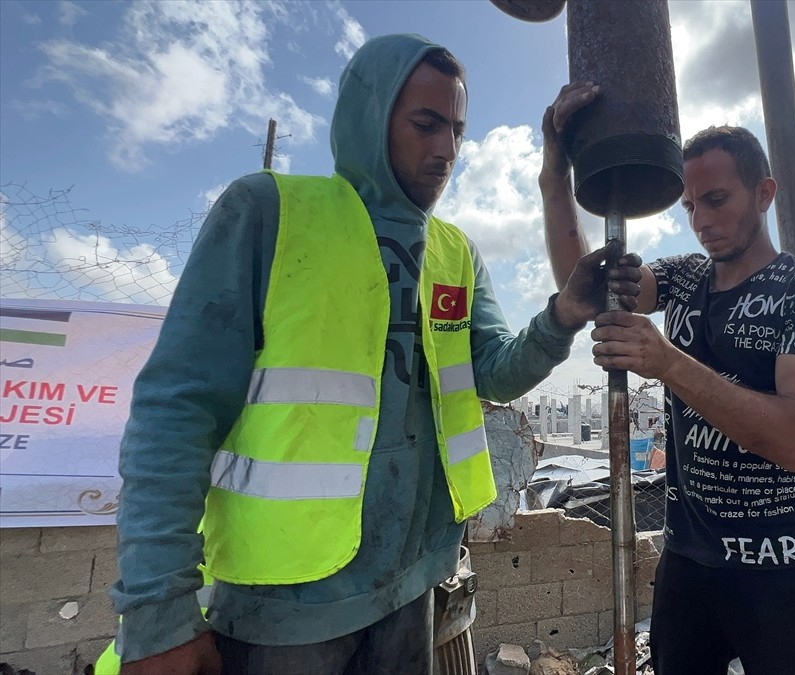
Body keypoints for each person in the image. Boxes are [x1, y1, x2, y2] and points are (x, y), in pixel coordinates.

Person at [107, 37, 640, 675]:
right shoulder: (270, 214)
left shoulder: (454, 252)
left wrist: (561, 317)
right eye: (425, 124)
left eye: (457, 131)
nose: (446, 149)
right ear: (369, 115)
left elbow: (493, 370)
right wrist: (157, 614)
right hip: (287, 607)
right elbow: (176, 411)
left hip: (411, 588)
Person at [542, 83, 795, 674]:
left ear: (763, 194)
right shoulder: (684, 279)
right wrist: (555, 181)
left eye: (716, 200)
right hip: (688, 565)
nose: (701, 222)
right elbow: (588, 291)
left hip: (780, 571)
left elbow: (794, 440)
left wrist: (668, 363)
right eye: (690, 208)